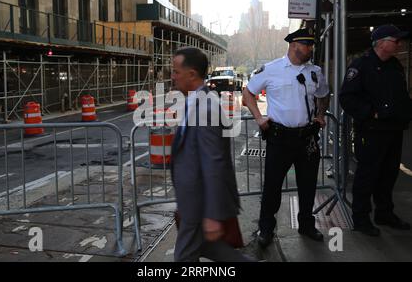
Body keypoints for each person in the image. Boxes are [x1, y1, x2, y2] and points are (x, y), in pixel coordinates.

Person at [243, 28, 330, 248]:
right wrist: (259, 117)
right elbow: (248, 93)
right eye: (306, 45)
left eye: (311, 45)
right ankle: (266, 228)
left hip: (307, 139)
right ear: (293, 45)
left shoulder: (315, 72)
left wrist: (320, 114)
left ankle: (307, 225)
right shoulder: (272, 69)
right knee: (272, 186)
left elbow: (323, 94)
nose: (310, 49)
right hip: (279, 138)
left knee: (308, 185)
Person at [170, 47, 252, 262]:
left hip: (200, 204)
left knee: (185, 257)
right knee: (214, 250)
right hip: (193, 200)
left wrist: (213, 215)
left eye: (176, 71)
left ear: (192, 74)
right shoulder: (195, 100)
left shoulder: (206, 107)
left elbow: (214, 163)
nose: (173, 76)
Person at [340, 24, 412, 236]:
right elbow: (347, 97)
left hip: (393, 130)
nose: (400, 43)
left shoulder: (395, 66)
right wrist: (371, 113)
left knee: (388, 174)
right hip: (371, 132)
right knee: (367, 175)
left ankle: (384, 213)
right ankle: (361, 218)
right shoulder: (361, 66)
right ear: (382, 43)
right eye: (396, 40)